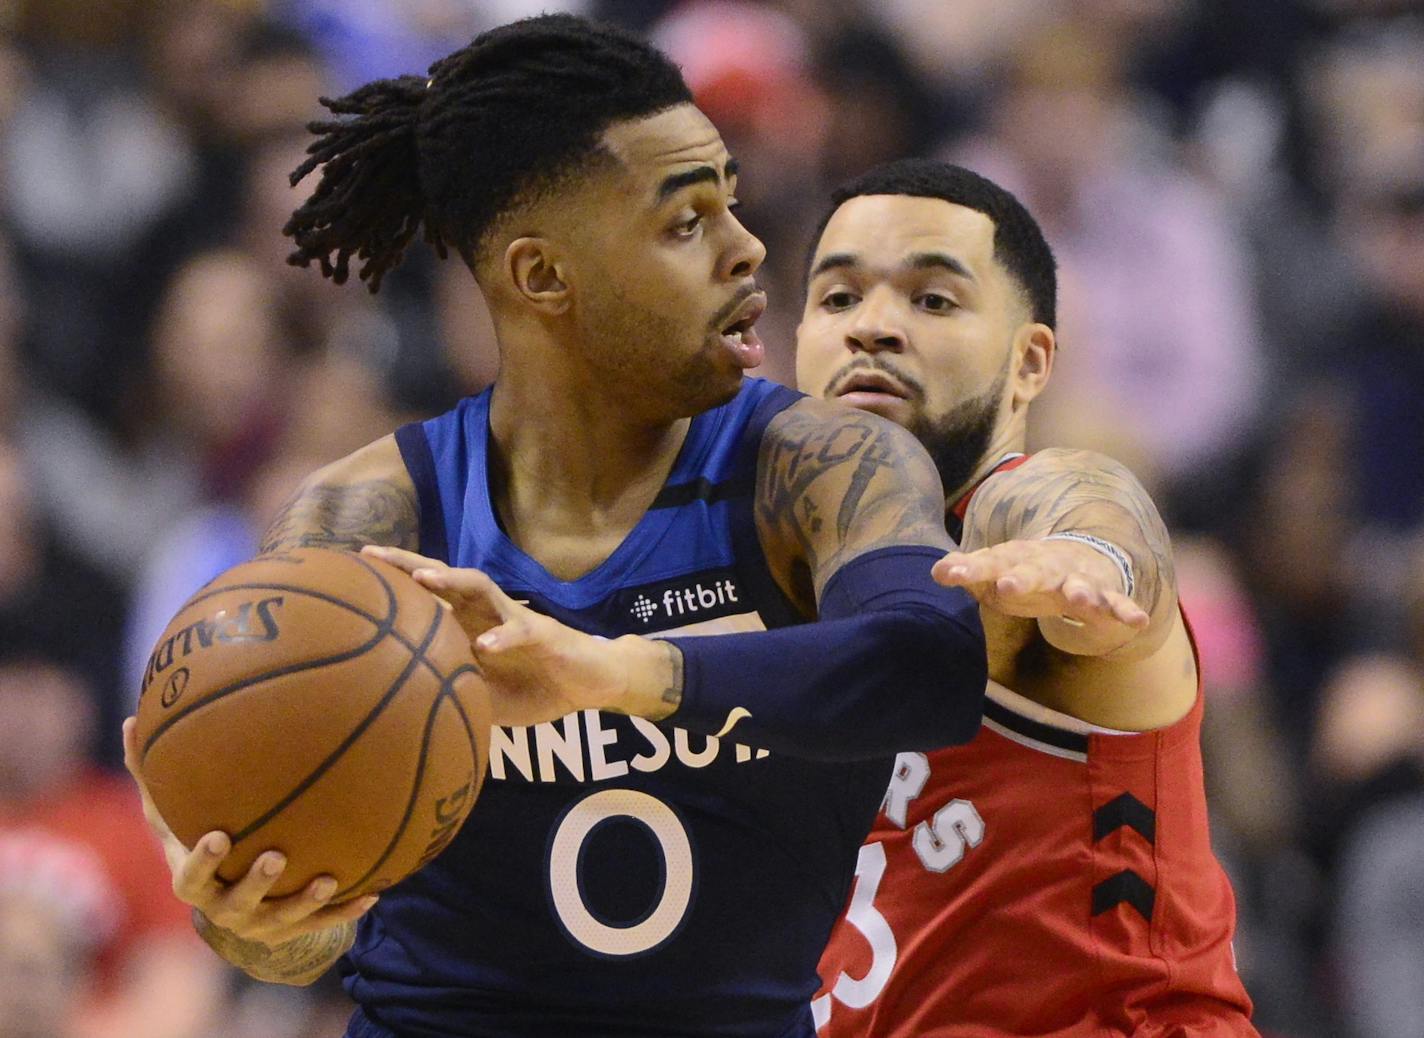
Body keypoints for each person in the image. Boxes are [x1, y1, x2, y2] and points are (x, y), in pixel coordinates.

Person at [119, 16, 1014, 1038]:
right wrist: (257, 916)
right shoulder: (372, 514)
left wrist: (609, 673)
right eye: (685, 223)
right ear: (542, 278)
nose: (747, 245)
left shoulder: (815, 465)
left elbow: (932, 664)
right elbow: (300, 942)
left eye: (729, 199)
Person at [798, 160, 1257, 1036]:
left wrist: (1091, 559)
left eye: (932, 300)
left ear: (1030, 362)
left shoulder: (1014, 524)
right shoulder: (774, 578)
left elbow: (1097, 510)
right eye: (839, 298)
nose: (873, 328)